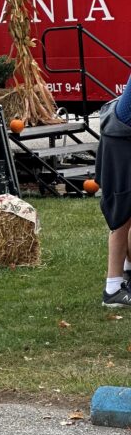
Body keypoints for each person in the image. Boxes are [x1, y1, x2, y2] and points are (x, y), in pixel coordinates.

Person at [95, 71, 131, 306]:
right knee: (122, 214)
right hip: (120, 140)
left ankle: (127, 273)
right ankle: (113, 289)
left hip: (124, 136)